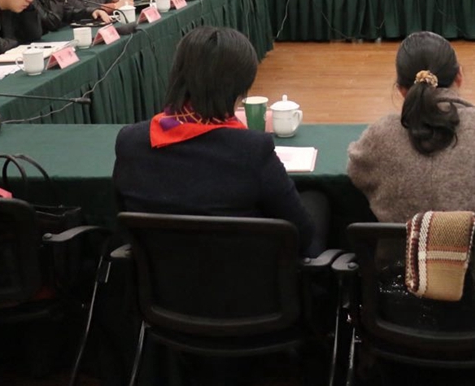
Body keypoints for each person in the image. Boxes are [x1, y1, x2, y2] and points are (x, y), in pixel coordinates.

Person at [347, 31, 475, 267]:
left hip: (402, 283)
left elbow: (356, 173)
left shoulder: (378, 137)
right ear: (459, 76)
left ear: (401, 89)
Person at [113, 26, 322, 256]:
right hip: (246, 274)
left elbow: (124, 222)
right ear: (240, 88)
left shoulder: (130, 141)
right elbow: (302, 233)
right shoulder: (252, 150)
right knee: (317, 203)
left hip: (159, 276)